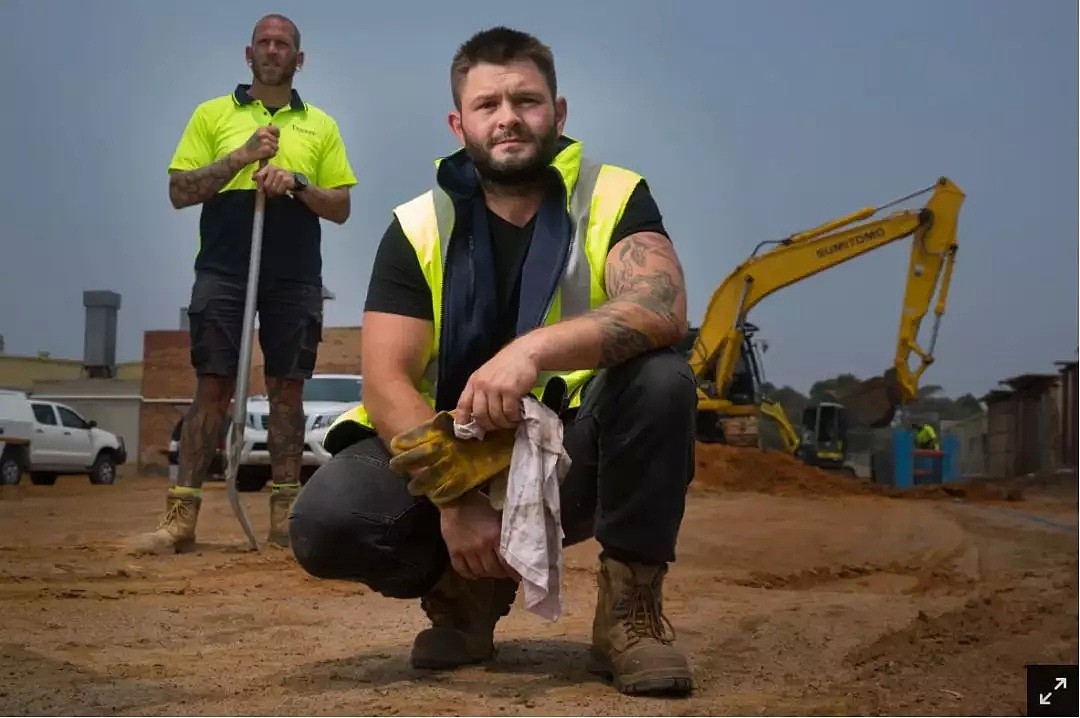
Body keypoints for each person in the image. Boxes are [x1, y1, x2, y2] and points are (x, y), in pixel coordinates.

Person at [287, 26, 697, 696]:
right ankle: (464, 594)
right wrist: (455, 501)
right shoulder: (418, 225)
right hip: (453, 446)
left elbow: (661, 305)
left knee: (663, 378)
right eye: (487, 105)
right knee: (329, 522)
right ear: (459, 123)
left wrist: (529, 353)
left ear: (558, 113)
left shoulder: (615, 195)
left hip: (572, 450)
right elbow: (387, 381)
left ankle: (630, 615)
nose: (508, 117)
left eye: (527, 100)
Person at [130, 14, 358, 554]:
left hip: (294, 274)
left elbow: (342, 207)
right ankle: (181, 516)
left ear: (299, 58)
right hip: (224, 269)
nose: (273, 50)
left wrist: (296, 181)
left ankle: (285, 519)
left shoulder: (320, 125)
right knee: (211, 385)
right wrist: (241, 158)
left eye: (284, 44)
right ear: (248, 53)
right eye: (265, 42)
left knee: (287, 390)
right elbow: (180, 191)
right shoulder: (213, 115)